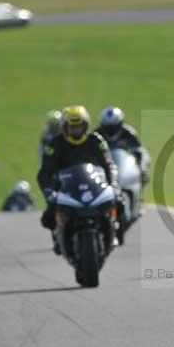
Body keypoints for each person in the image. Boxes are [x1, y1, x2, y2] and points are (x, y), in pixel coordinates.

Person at [37, 105, 118, 252]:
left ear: (85, 126)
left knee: (119, 201)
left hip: (93, 185)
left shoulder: (96, 141)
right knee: (48, 217)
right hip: (65, 188)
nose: (75, 131)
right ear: (64, 127)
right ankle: (58, 235)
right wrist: (49, 193)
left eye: (79, 127)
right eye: (72, 127)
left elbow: (109, 165)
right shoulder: (55, 144)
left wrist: (113, 184)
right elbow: (44, 173)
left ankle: (114, 228)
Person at [96, 106, 150, 186]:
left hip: (125, 168)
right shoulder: (97, 134)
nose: (111, 130)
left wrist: (142, 167)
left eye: (114, 127)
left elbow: (140, 152)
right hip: (103, 167)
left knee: (143, 177)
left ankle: (137, 196)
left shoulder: (128, 133)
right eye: (107, 128)